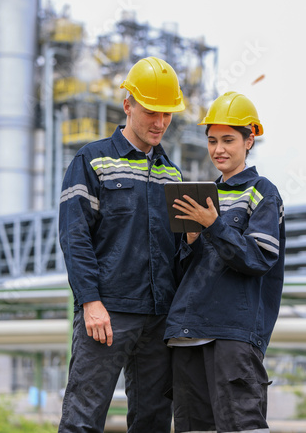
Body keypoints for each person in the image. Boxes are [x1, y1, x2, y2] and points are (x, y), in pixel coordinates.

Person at [58, 56, 185, 433]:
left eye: (167, 114)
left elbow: (180, 253)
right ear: (127, 105)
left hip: (160, 318)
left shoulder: (173, 174)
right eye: (151, 112)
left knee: (153, 423)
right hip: (107, 315)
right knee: (83, 420)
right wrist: (91, 301)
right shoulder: (92, 160)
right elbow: (74, 236)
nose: (160, 123)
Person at [164, 91, 285, 433]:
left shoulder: (262, 193)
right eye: (213, 140)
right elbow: (186, 274)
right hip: (187, 333)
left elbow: (258, 257)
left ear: (250, 139)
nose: (219, 149)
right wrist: (190, 241)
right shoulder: (202, 196)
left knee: (241, 426)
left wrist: (213, 226)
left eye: (229, 140)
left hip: (233, 335)